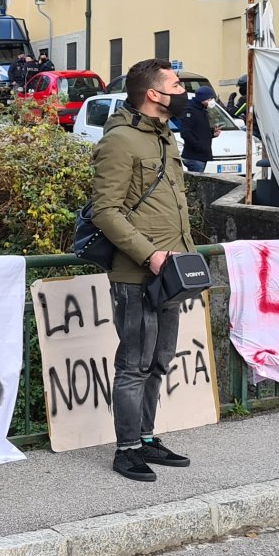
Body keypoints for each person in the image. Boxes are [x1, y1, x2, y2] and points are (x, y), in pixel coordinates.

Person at [88, 60, 197, 482]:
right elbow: (106, 211)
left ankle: (147, 437)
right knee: (134, 362)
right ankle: (127, 449)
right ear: (154, 94)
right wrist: (149, 254)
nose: (182, 90)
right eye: (175, 84)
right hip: (138, 273)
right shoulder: (121, 141)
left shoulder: (164, 137)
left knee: (159, 360)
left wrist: (178, 256)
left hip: (172, 270)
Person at [179, 82, 219, 174]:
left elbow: (199, 130)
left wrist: (212, 133)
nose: (212, 101)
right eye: (210, 99)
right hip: (194, 157)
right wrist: (198, 146)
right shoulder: (190, 110)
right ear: (202, 99)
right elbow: (185, 132)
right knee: (197, 183)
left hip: (201, 156)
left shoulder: (202, 110)